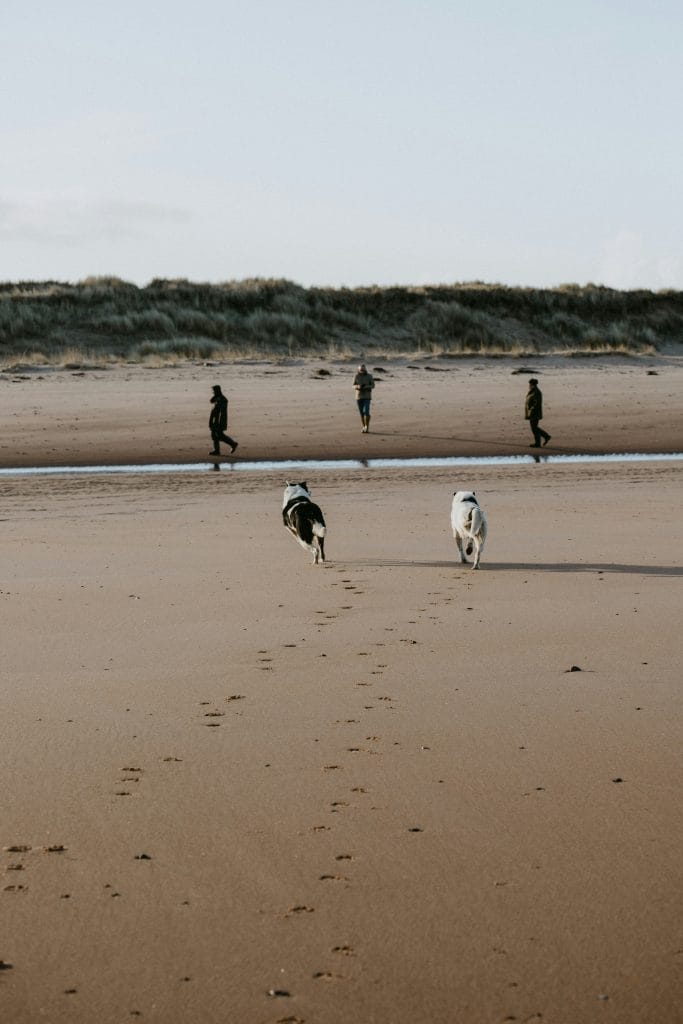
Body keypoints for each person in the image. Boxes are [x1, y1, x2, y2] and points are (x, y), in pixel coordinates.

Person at [209, 384, 238, 456]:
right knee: (215, 435)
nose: (213, 392)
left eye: (214, 391)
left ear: (218, 391)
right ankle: (217, 450)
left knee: (219, 435)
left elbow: (220, 411)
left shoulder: (223, 399)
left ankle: (232, 444)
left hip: (219, 421)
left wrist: (216, 422)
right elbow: (211, 401)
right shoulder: (218, 398)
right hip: (215, 420)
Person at [524, 378, 551, 448]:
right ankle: (545, 437)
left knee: (534, 428)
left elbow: (537, 403)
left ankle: (540, 441)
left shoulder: (536, 392)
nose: (528, 385)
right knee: (534, 428)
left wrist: (531, 410)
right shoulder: (533, 391)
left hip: (535, 413)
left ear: (532, 384)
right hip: (532, 412)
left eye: (529, 384)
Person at [353, 363, 375, 433]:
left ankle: (367, 427)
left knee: (366, 411)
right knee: (361, 413)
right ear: (358, 370)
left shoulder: (369, 376)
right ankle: (363, 426)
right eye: (361, 369)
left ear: (365, 369)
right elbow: (353, 385)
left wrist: (366, 386)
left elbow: (373, 385)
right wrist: (358, 387)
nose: (362, 370)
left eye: (363, 369)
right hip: (358, 397)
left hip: (367, 396)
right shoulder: (356, 376)